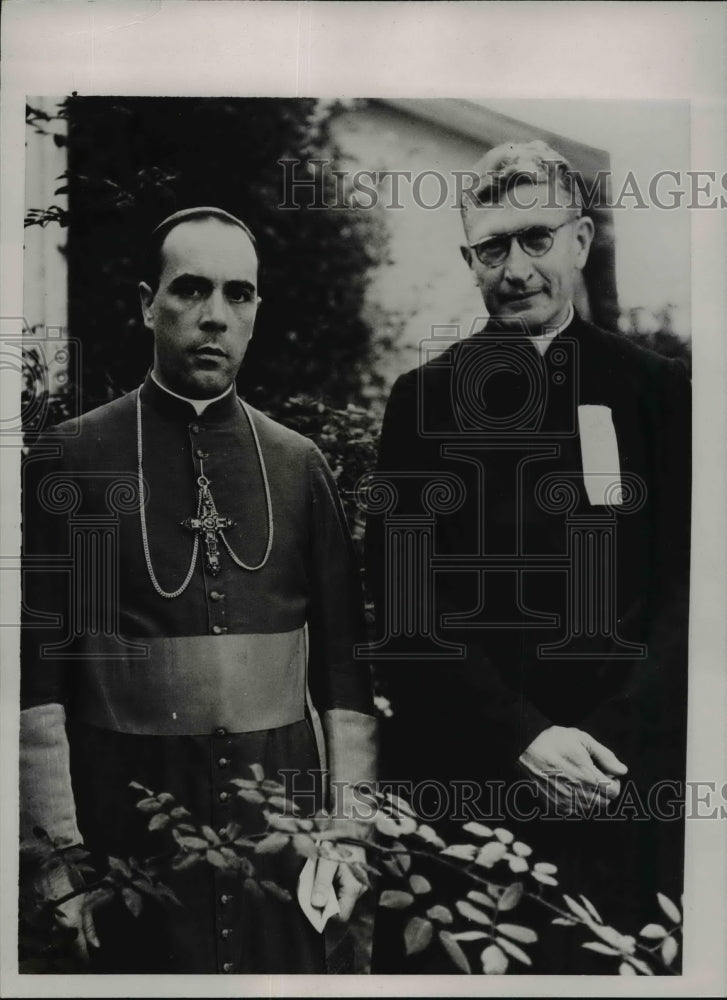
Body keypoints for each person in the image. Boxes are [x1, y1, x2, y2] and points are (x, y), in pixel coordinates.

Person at [20, 207, 377, 974]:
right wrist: (59, 854)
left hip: (280, 840)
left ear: (255, 313)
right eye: (190, 290)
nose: (215, 315)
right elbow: (38, 678)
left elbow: (344, 673)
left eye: (238, 295)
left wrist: (348, 833)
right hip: (127, 833)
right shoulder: (73, 460)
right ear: (147, 302)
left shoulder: (298, 463)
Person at [366, 142, 690, 971]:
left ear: (580, 240)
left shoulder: (661, 395)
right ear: (470, 259)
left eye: (536, 238)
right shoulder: (424, 402)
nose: (515, 268)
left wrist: (606, 742)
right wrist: (524, 735)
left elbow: (688, 590)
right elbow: (405, 614)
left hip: (624, 792)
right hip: (471, 787)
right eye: (491, 247)